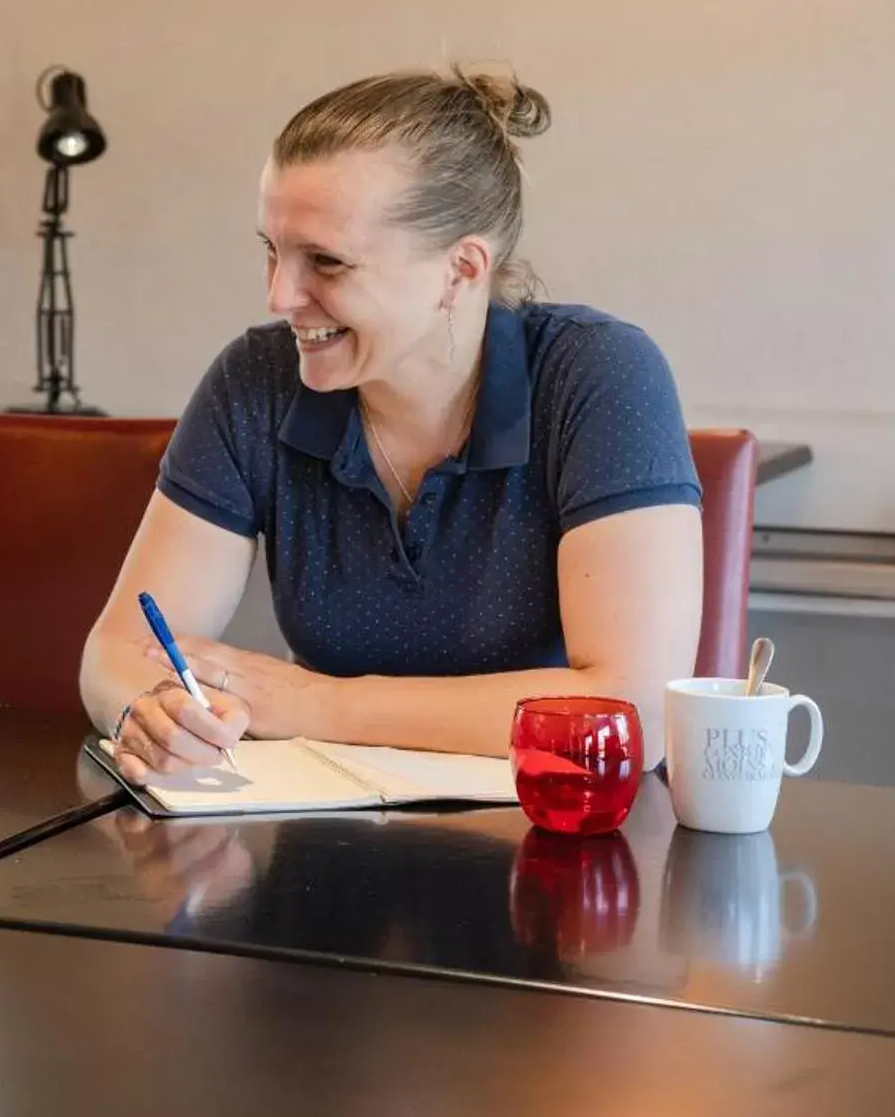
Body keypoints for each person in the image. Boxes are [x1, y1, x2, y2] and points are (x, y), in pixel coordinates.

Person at [82, 68, 702, 780]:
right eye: (272, 249)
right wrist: (148, 715)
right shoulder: (256, 380)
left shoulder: (598, 374)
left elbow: (632, 715)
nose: (281, 295)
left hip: (559, 846)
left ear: (461, 269)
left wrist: (317, 703)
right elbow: (115, 650)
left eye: (327, 261)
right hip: (324, 843)